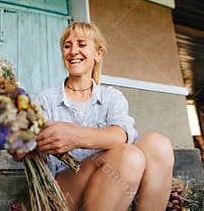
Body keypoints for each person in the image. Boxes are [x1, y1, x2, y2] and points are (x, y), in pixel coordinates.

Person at [18, 22, 174, 211]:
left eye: (82, 44)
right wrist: (20, 142)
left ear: (98, 54)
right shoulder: (45, 99)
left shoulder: (111, 97)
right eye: (67, 46)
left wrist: (74, 136)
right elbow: (23, 146)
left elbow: (122, 134)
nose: (73, 51)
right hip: (64, 192)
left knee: (158, 144)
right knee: (128, 156)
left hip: (112, 185)